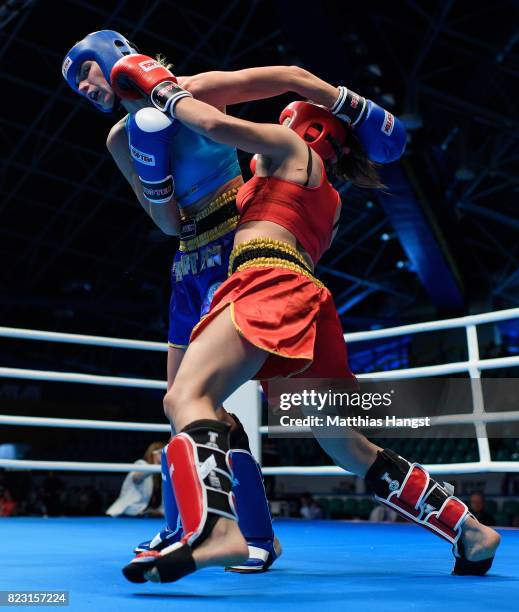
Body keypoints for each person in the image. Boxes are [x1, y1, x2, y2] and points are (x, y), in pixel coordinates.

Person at [112, 55, 499, 584]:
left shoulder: (291, 150)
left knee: (185, 397)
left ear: (306, 128)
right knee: (350, 450)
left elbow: (212, 124)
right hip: (307, 305)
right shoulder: (329, 199)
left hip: (267, 285)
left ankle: (219, 530)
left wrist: (163, 90)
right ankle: (470, 530)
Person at [62, 30, 280, 572]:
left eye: (85, 68)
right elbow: (164, 222)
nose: (82, 84)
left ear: (114, 52)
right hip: (188, 258)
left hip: (239, 241)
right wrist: (155, 177)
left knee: (231, 400)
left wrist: (343, 102)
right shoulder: (119, 140)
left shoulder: (196, 91)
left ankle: (216, 528)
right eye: (73, 83)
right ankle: (215, 528)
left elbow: (280, 81)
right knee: (180, 402)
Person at [106, 442, 164, 517]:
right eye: (161, 452)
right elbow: (136, 478)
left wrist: (159, 511)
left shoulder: (161, 474)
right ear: (153, 453)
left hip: (143, 516)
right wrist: (155, 466)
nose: (164, 456)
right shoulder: (141, 464)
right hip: (126, 512)